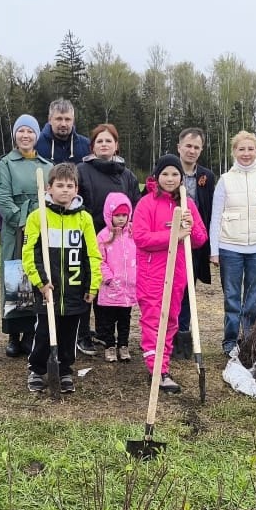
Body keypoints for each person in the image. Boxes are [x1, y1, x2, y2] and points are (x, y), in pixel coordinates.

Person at [21, 163, 101, 394]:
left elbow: (92, 254)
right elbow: (29, 254)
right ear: (49, 188)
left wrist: (92, 284)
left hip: (75, 291)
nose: (65, 190)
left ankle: (65, 370)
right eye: (60, 185)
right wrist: (41, 282)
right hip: (48, 290)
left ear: (76, 189)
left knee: (69, 334)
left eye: (70, 185)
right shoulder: (38, 217)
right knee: (44, 332)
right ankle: (36, 369)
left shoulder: (84, 219)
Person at [133, 155, 207, 393]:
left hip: (177, 273)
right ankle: (158, 369)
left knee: (172, 319)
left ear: (181, 177)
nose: (170, 178)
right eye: (165, 174)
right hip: (151, 274)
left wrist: (190, 225)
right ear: (157, 176)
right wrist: (173, 234)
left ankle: (162, 361)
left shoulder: (187, 205)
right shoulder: (146, 203)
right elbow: (141, 238)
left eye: (175, 174)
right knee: (154, 320)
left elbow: (199, 239)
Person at [209, 131, 256, 357]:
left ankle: (249, 338)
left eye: (250, 149)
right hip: (230, 247)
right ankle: (230, 340)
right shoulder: (225, 180)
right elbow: (216, 216)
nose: (246, 154)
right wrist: (214, 250)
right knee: (231, 297)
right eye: (241, 149)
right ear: (234, 152)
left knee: (253, 297)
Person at [76, 123, 140, 356]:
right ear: (92, 146)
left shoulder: (128, 176)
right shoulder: (81, 171)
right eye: (99, 141)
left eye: (109, 140)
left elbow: (136, 208)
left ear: (116, 145)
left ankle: (109, 337)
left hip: (120, 246)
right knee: (88, 285)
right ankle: (83, 334)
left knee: (114, 288)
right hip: (89, 238)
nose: (104, 144)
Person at [0, 114, 53, 357]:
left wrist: (40, 224)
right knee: (15, 277)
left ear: (36, 135)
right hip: (15, 229)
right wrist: (23, 221)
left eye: (30, 131)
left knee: (36, 275)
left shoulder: (47, 166)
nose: (26, 136)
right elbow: (3, 197)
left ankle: (31, 333)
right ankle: (13, 335)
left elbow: (52, 197)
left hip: (40, 230)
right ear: (15, 135)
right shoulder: (5, 164)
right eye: (21, 131)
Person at [174, 128, 218, 355]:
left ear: (201, 150)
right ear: (179, 147)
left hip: (195, 242)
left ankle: (183, 331)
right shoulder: (168, 171)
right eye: (188, 146)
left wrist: (209, 245)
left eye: (196, 147)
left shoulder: (206, 177)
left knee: (189, 288)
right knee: (172, 289)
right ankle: (168, 333)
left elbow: (210, 211)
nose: (191, 150)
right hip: (170, 241)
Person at [96, 192, 137, 363]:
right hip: (111, 288)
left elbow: (139, 256)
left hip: (128, 289)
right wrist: (109, 278)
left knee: (125, 320)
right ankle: (109, 346)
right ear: (109, 215)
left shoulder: (133, 234)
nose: (121, 219)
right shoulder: (103, 236)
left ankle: (123, 345)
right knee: (108, 320)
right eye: (117, 215)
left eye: (124, 215)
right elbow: (99, 260)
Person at [35, 99, 91, 165]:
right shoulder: (36, 144)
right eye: (59, 119)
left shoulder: (86, 146)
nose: (63, 124)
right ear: (49, 120)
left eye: (67, 119)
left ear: (73, 121)